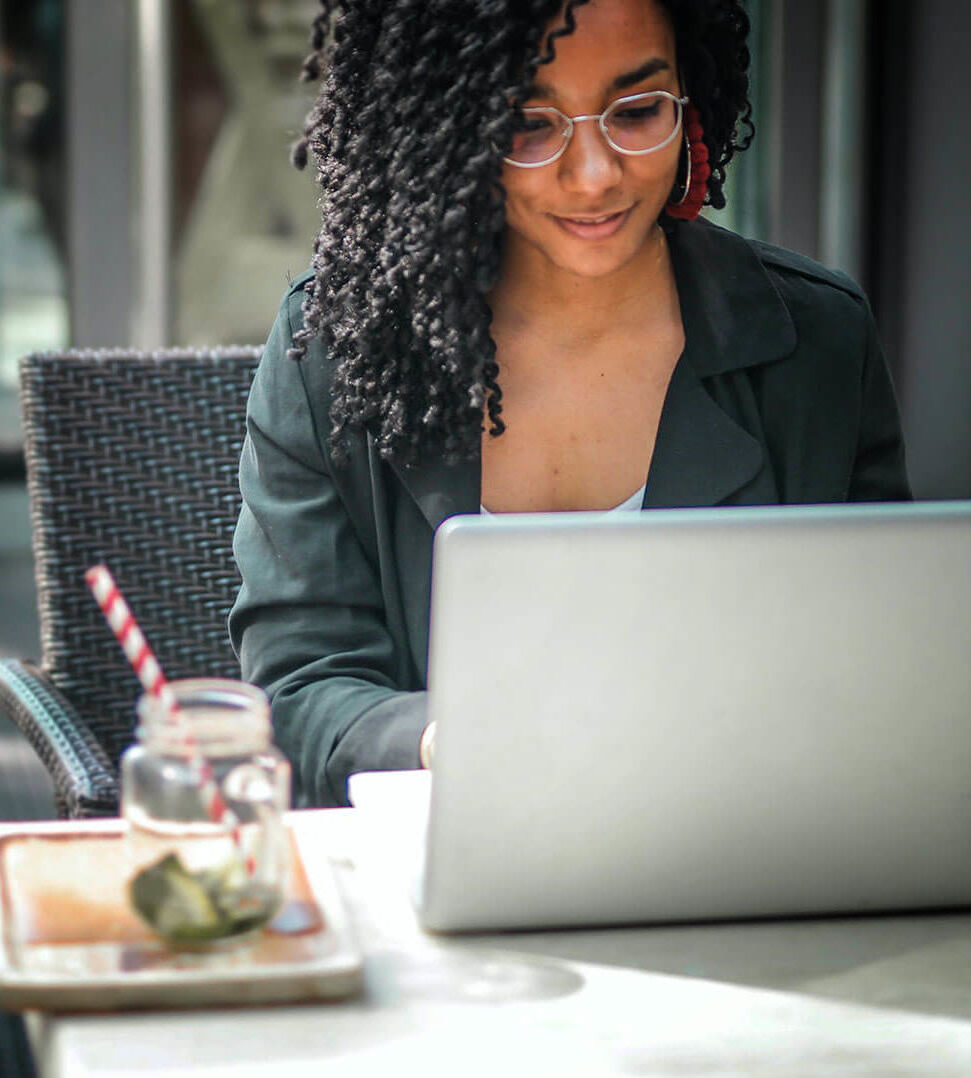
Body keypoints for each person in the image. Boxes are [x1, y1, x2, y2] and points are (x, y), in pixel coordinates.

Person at [227, 0, 913, 808]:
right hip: (437, 857)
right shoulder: (339, 344)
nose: (594, 174)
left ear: (689, 100)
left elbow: (880, 668)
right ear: (449, 131)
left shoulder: (815, 339)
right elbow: (301, 690)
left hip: (748, 845)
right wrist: (443, 738)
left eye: (635, 112)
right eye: (527, 122)